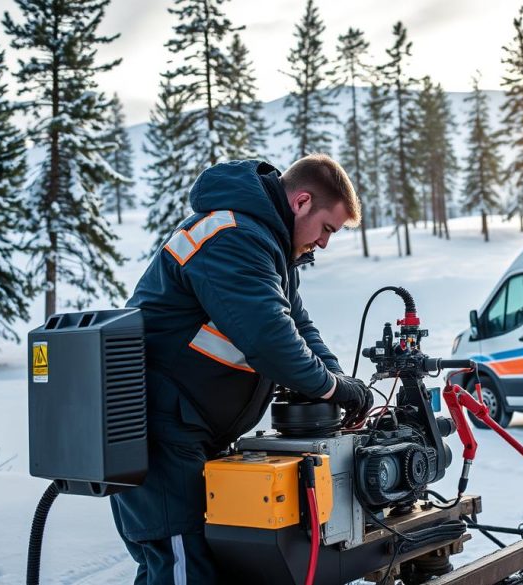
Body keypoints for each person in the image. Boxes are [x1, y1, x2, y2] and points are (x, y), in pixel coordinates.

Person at [111, 154, 374, 584]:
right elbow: (268, 339)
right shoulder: (231, 236)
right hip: (160, 434)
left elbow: (297, 325)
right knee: (183, 568)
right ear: (302, 201)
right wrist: (332, 389)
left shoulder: (266, 245)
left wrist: (341, 381)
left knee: (210, 564)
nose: (325, 243)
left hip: (194, 433)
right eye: (327, 228)